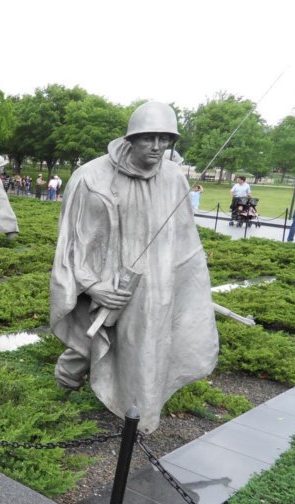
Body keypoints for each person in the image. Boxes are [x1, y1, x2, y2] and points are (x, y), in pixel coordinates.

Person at [49, 101, 218, 434]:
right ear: (132, 137)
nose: (157, 147)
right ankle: (59, 396)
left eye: (165, 139)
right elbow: (71, 242)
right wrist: (92, 285)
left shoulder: (173, 178)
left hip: (156, 291)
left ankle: (138, 415)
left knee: (148, 349)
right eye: (148, 138)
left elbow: (185, 241)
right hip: (108, 287)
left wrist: (186, 286)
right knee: (90, 341)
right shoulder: (91, 178)